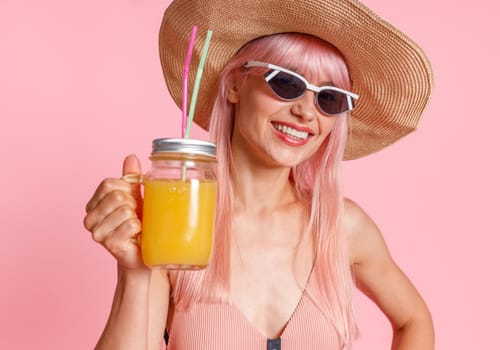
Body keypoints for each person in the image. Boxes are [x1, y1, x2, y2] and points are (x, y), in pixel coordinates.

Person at [83, 0, 435, 349]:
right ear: (235, 84)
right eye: (285, 82)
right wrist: (135, 272)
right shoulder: (179, 220)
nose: (304, 112)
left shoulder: (341, 225)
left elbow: (413, 319)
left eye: (328, 99)